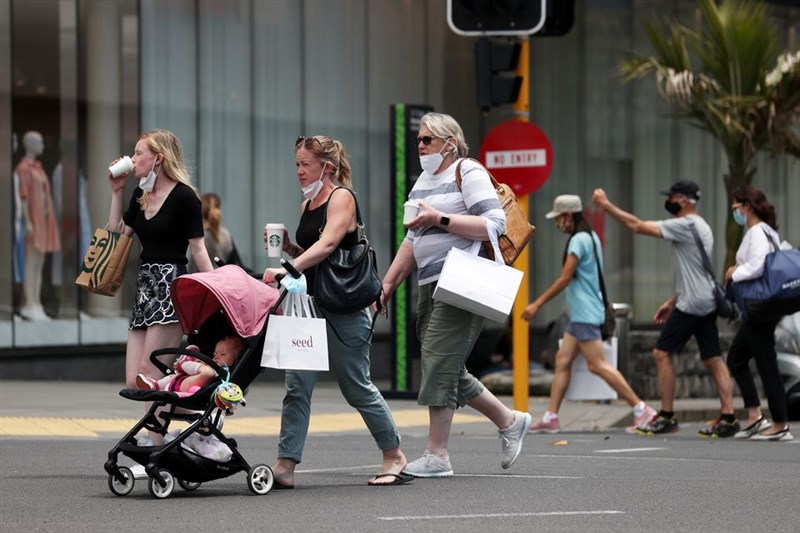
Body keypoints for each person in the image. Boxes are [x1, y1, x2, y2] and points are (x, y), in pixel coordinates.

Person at [380, 112, 531, 478]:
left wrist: (439, 219)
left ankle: (438, 455)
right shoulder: (422, 183)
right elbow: (412, 240)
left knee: (437, 360)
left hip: (463, 279)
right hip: (431, 282)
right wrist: (387, 284)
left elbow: (494, 225)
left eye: (427, 140)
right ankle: (508, 420)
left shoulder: (469, 171)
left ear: (450, 143)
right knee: (443, 362)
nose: (420, 145)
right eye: (418, 139)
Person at [262, 134, 410, 487]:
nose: (299, 171)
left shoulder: (341, 197)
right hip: (310, 305)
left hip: (344, 308)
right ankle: (286, 464)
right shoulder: (307, 205)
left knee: (356, 386)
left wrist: (289, 266)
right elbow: (317, 249)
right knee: (297, 386)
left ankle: (394, 454)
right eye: (296, 164)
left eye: (306, 164)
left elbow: (329, 244)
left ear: (326, 167)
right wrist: (290, 246)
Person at [592, 182, 738, 437]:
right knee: (713, 357)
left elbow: (637, 226)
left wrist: (606, 205)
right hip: (704, 300)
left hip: (692, 303)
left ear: (683, 200)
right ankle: (729, 417)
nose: (668, 201)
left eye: (671, 196)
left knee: (661, 353)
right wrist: (673, 300)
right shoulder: (702, 226)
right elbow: (696, 271)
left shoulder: (684, 225)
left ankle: (667, 415)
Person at [522, 194, 656, 434]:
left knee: (598, 365)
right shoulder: (591, 237)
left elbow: (565, 279)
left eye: (559, 218)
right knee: (563, 361)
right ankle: (551, 417)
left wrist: (536, 304)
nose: (557, 223)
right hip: (582, 314)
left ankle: (641, 408)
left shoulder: (578, 241)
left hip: (585, 313)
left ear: (569, 216)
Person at [725, 185, 793, 441]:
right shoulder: (767, 231)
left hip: (761, 309)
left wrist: (735, 272)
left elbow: (760, 264)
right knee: (737, 358)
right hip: (766, 308)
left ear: (747, 207)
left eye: (735, 208)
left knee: (766, 364)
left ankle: (779, 424)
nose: (735, 213)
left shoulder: (756, 231)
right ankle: (755, 416)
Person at [15, 130, 61, 321]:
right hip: (32, 222)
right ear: (30, 145)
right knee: (30, 263)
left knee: (39, 264)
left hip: (44, 221)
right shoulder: (23, 169)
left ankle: (36, 303)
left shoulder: (39, 168)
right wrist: (28, 221)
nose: (43, 146)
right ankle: (29, 303)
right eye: (39, 142)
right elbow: (23, 197)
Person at [135, 336, 244, 394]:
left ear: (236, 358)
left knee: (208, 372)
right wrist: (201, 363)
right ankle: (156, 385)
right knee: (173, 377)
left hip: (192, 389)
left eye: (223, 354)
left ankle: (184, 363)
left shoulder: (227, 374)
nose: (216, 357)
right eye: (215, 354)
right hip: (181, 382)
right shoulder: (211, 364)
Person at [189, 193, 252, 273]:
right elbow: (235, 264)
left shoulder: (200, 237)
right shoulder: (226, 235)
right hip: (223, 280)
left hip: (205, 282)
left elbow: (193, 270)